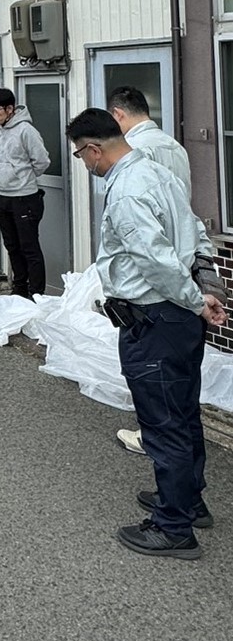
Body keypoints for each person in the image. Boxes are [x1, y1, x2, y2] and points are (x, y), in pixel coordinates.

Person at [67, 108, 227, 559]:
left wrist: (196, 299)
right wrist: (202, 291)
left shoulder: (126, 192)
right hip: (178, 318)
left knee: (163, 423)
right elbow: (196, 231)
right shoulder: (159, 174)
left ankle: (173, 527)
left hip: (155, 319)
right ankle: (188, 500)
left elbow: (154, 260)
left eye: (82, 156)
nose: (84, 164)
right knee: (182, 411)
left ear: (95, 149)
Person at [108, 85, 193, 456]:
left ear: (117, 115)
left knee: (156, 377)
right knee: (180, 382)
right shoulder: (175, 146)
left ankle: (154, 437)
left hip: (155, 283)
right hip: (181, 256)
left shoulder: (135, 155)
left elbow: (146, 242)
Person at [0, 88, 51, 299]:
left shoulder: (26, 130)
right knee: (12, 246)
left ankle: (36, 293)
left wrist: (22, 177)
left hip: (25, 197)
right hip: (4, 195)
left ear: (10, 108)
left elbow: (42, 161)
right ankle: (19, 288)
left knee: (29, 247)